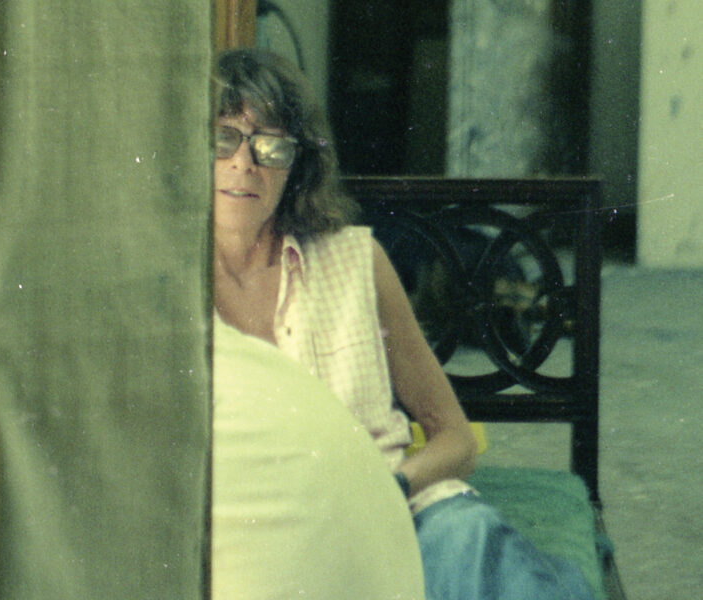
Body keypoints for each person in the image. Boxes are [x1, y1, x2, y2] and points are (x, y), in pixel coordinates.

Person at [211, 47, 594, 600]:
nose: (244, 163)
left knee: (470, 538)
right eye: (222, 139)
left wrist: (390, 489)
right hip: (263, 535)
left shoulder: (356, 261)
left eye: (269, 144)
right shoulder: (168, 290)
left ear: (297, 165)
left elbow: (455, 438)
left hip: (398, 512)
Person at [211, 316, 425, 599]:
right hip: (332, 508)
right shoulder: (207, 341)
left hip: (379, 493)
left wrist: (386, 485)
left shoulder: (360, 272)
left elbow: (456, 437)